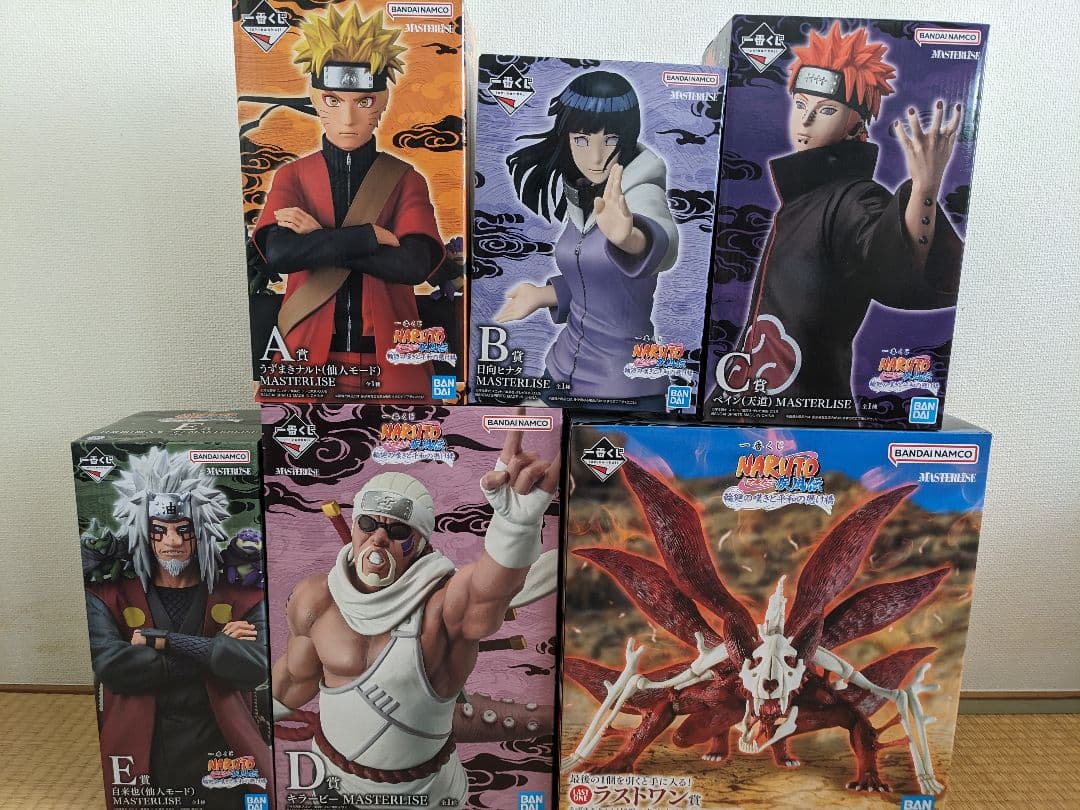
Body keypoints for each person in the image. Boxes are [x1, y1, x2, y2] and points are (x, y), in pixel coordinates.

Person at [272, 429, 559, 808]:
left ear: (421, 543)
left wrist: (514, 527)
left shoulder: (441, 608)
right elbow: (293, 681)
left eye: (396, 530)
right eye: (368, 524)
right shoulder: (315, 598)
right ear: (354, 526)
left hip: (424, 796)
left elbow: (487, 591)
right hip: (330, 784)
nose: (378, 539)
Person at [711, 22, 965, 410]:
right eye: (800, 104)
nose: (805, 121)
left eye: (826, 109)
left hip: (806, 412)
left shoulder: (853, 197)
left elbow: (890, 261)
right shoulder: (803, 197)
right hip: (755, 400)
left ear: (854, 124)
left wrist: (924, 191)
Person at [252, 5, 444, 397]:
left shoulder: (406, 178)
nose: (349, 118)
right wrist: (368, 237)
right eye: (334, 100)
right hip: (305, 354)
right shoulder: (293, 176)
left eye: (364, 102)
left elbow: (413, 265)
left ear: (383, 100)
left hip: (393, 355)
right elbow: (281, 254)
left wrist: (319, 238)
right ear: (315, 99)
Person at [84, 448, 270, 809]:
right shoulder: (108, 593)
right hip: (141, 743)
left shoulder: (242, 592)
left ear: (202, 530)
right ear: (142, 531)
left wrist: (164, 641)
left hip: (225, 744)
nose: (172, 542)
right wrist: (214, 650)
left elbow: (255, 667)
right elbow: (111, 667)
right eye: (160, 530)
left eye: (184, 530)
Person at [494, 70, 679, 405]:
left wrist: (630, 238)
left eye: (610, 140)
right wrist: (542, 295)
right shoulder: (582, 194)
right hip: (562, 369)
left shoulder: (639, 190)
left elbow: (662, 243)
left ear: (626, 137)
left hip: (621, 384)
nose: (595, 157)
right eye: (581, 139)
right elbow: (594, 282)